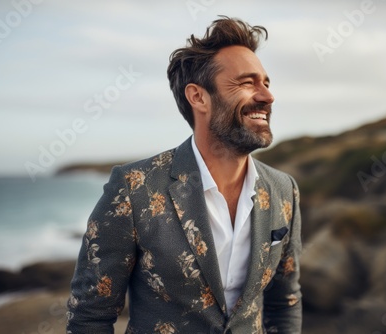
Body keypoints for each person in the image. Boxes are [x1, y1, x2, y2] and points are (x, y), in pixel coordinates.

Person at [66, 16, 302, 334]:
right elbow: (89, 318)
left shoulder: (283, 190)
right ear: (198, 97)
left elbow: (284, 303)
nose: (267, 96)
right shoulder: (134, 189)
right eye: (247, 83)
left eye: (266, 83)